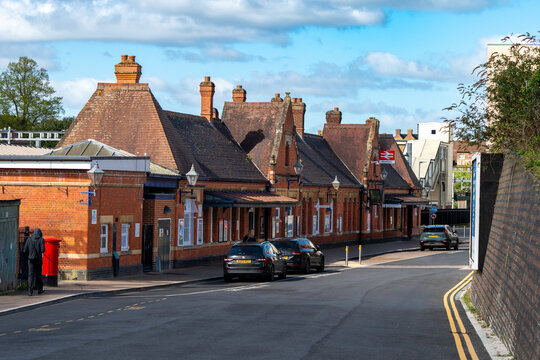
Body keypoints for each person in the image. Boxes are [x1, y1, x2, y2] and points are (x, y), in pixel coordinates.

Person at [24, 228, 45, 296]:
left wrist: (29, 254)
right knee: (38, 275)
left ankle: (30, 291)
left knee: (30, 275)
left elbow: (25, 250)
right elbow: (43, 250)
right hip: (38, 259)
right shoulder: (41, 239)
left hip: (30, 259)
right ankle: (40, 289)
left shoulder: (29, 239)